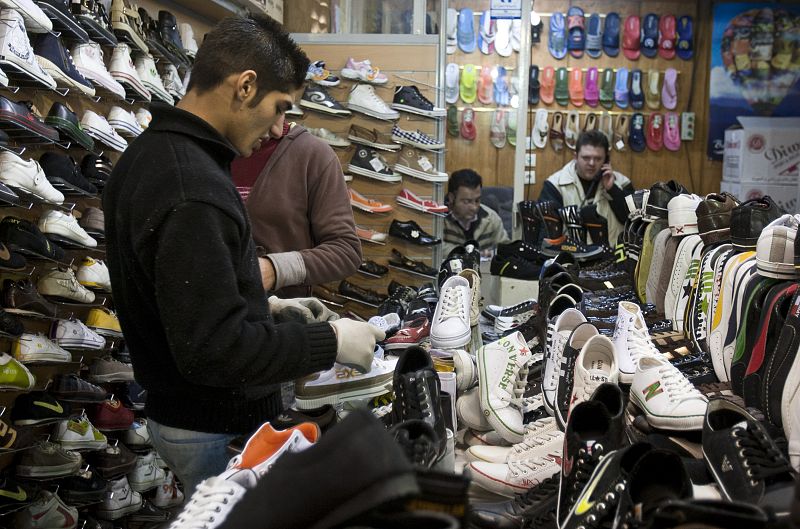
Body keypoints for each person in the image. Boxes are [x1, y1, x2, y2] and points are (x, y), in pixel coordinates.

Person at [103, 14, 383, 495]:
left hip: (189, 416)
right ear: (246, 86)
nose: (278, 128)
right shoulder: (192, 184)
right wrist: (330, 341)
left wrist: (262, 302)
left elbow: (180, 298)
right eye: (279, 108)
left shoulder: (153, 155)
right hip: (212, 426)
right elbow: (214, 350)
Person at [231, 114, 361, 298]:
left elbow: (346, 251)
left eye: (283, 108)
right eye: (274, 104)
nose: (277, 129)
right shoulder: (204, 148)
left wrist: (275, 270)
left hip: (271, 315)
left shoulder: (312, 155)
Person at [538, 130, 634, 247]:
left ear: (606, 160)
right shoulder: (555, 185)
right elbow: (546, 234)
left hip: (612, 257)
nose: (592, 163)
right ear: (575, 157)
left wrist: (612, 189)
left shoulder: (623, 183)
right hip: (571, 258)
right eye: (586, 158)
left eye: (598, 159)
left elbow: (632, 222)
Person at [443, 169, 510, 257]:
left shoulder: (491, 219)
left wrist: (493, 254)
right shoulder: (440, 219)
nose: (474, 207)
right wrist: (467, 253)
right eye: (467, 201)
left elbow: (506, 248)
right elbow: (435, 248)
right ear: (451, 198)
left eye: (477, 200)